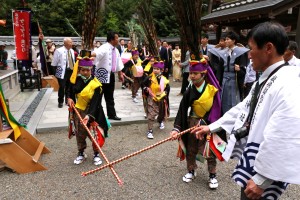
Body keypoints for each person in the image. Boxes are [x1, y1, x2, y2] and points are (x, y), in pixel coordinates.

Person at [192, 22, 300, 199]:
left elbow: (285, 133)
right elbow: (242, 108)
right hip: (256, 162)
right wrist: (212, 127)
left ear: (268, 48)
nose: (249, 55)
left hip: (264, 173)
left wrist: (262, 180)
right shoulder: (267, 78)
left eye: (251, 48)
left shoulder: (288, 82)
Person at [170, 54, 221, 189]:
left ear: (203, 73)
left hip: (207, 124)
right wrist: (177, 128)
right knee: (191, 148)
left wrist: (206, 122)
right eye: (191, 73)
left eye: (195, 73)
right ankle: (191, 170)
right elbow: (182, 109)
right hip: (192, 122)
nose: (192, 76)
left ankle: (212, 174)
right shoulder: (189, 90)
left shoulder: (211, 89)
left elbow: (216, 109)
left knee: (208, 149)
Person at [67, 55, 108, 166]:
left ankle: (96, 154)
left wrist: (89, 116)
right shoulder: (75, 80)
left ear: (91, 70)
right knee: (80, 133)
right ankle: (81, 152)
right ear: (79, 70)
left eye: (88, 70)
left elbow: (96, 103)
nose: (85, 72)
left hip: (93, 112)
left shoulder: (96, 85)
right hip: (78, 111)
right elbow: (69, 91)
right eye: (83, 70)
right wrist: (69, 98)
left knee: (94, 133)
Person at [93, 31, 124, 121]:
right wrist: (86, 54)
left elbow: (118, 63)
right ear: (112, 39)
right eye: (117, 38)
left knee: (110, 96)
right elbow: (96, 54)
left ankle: (111, 114)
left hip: (111, 75)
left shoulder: (116, 50)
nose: (118, 40)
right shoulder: (104, 48)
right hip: (101, 75)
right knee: (98, 96)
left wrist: (120, 74)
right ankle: (95, 115)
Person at [143, 59, 170, 139]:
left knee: (161, 112)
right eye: (154, 68)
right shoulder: (149, 78)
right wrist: (146, 89)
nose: (155, 70)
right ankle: (150, 130)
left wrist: (165, 93)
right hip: (152, 98)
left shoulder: (164, 79)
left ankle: (160, 120)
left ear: (161, 70)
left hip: (161, 99)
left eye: (157, 69)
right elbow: (143, 85)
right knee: (151, 114)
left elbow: (167, 88)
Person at [52, 37, 75, 108]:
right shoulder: (59, 50)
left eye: (72, 42)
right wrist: (55, 74)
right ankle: (60, 101)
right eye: (70, 42)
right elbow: (54, 63)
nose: (72, 44)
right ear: (65, 43)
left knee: (69, 87)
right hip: (62, 71)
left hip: (70, 71)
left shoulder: (71, 50)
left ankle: (67, 100)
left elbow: (73, 61)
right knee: (62, 87)